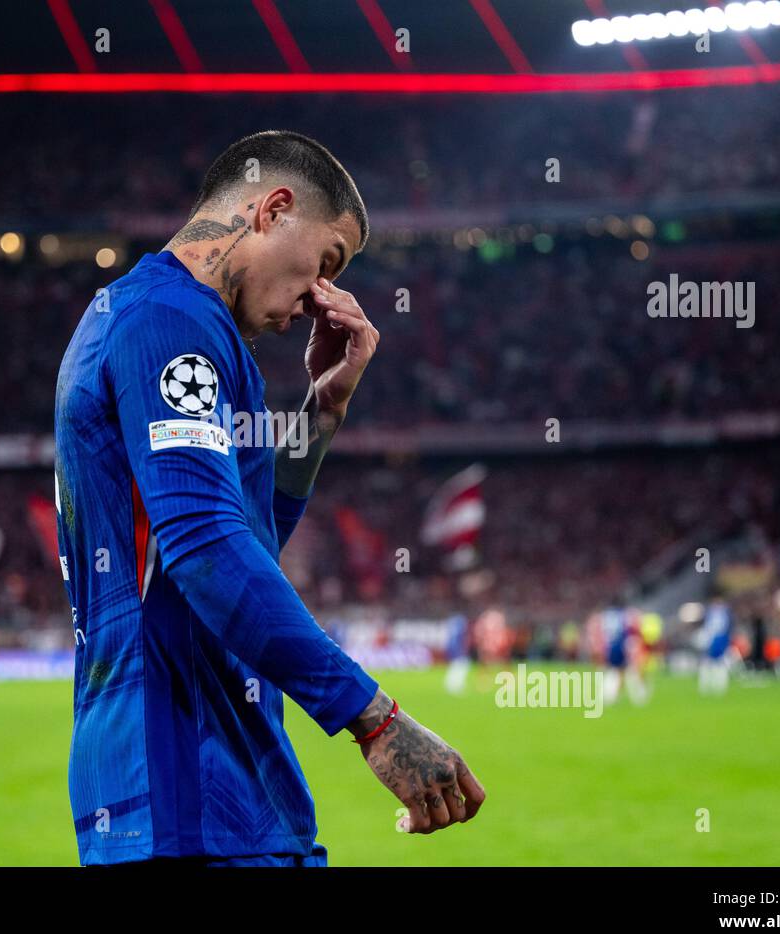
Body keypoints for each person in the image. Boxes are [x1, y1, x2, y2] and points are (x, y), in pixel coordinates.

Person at [53, 130, 485, 866]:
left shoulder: (200, 337)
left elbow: (245, 542)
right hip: (188, 791)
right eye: (325, 262)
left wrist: (320, 414)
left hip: (208, 790)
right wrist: (376, 719)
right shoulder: (166, 321)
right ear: (272, 209)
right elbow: (206, 551)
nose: (320, 296)